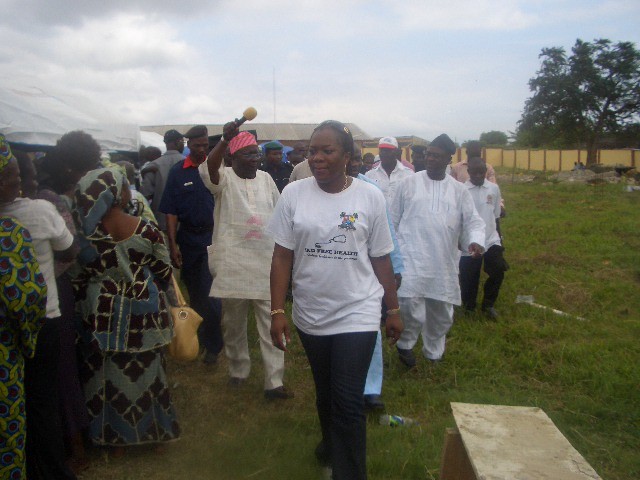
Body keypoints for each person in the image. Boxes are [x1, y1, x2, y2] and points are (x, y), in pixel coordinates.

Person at [268, 120, 403, 480]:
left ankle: (348, 472)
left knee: (347, 399)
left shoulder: (369, 197)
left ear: (347, 156)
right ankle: (330, 448)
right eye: (313, 151)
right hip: (311, 313)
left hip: (358, 310)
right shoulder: (293, 194)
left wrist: (392, 308)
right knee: (326, 393)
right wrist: (277, 310)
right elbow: (281, 256)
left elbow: (381, 257)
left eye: (327, 151)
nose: (317, 158)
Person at [72, 167, 180, 452]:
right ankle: (153, 434)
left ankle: (110, 439)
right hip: (144, 313)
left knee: (104, 375)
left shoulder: (84, 238)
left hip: (100, 314)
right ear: (117, 194)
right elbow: (164, 272)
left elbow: (77, 277)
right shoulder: (146, 230)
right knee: (148, 372)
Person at [0, 134, 78, 479]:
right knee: (43, 400)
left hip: (10, 329)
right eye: (17, 176)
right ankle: (51, 469)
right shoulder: (38, 212)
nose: (23, 184)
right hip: (43, 319)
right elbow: (70, 249)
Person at [199, 124, 291, 400]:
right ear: (232, 157)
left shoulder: (265, 179)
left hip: (266, 260)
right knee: (233, 323)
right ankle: (238, 370)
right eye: (248, 154)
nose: (255, 159)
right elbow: (210, 169)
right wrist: (224, 140)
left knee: (271, 319)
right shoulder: (224, 178)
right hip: (233, 261)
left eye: (256, 154)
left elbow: (280, 214)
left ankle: (274, 382)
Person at [390, 134, 485, 367]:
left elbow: (473, 221)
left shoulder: (459, 190)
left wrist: (474, 241)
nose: (430, 159)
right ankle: (405, 344)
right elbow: (392, 219)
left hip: (443, 259)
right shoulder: (408, 184)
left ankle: (434, 352)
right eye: (428, 154)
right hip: (411, 256)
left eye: (436, 156)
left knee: (441, 310)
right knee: (409, 305)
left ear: (448, 159)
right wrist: (392, 254)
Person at [159, 125, 223, 365]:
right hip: (188, 240)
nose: (202, 150)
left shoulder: (215, 169)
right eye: (197, 146)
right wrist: (172, 244)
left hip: (212, 238)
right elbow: (171, 212)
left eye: (205, 145)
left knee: (210, 294)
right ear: (188, 145)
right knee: (195, 293)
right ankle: (201, 338)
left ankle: (214, 346)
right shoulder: (178, 172)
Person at [348, 146, 405, 412]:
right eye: (350, 158)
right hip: (334, 274)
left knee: (370, 327)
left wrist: (396, 267)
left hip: (368, 272)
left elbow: (387, 232)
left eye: (357, 159)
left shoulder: (371, 190)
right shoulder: (316, 188)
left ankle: (371, 390)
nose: (354, 164)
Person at [0, 216, 47, 480]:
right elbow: (26, 298)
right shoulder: (9, 235)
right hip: (3, 361)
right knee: (7, 443)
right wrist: (28, 341)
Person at [459, 158, 507, 319]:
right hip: (469, 241)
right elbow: (458, 218)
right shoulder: (462, 190)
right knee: (469, 276)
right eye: (475, 173)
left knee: (498, 270)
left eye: (481, 172)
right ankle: (469, 306)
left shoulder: (493, 188)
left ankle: (488, 304)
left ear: (486, 172)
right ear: (469, 172)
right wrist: (457, 240)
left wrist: (499, 238)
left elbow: (496, 216)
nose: (478, 176)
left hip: (491, 239)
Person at [141, 129, 185, 231]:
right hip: (184, 224)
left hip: (161, 222)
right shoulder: (188, 163)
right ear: (178, 142)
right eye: (182, 142)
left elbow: (145, 195)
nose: (183, 145)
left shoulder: (153, 166)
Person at [365, 136, 414, 204]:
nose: (384, 153)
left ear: (396, 152)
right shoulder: (369, 175)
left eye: (388, 150)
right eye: (381, 150)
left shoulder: (409, 174)